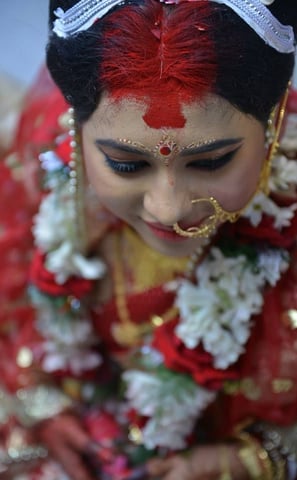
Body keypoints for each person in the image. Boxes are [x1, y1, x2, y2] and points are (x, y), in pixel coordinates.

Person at [1, 0, 297, 478]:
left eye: (211, 161)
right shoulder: (38, 178)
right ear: (76, 133)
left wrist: (255, 460)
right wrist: (41, 403)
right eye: (126, 164)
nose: (169, 209)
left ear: (273, 122)